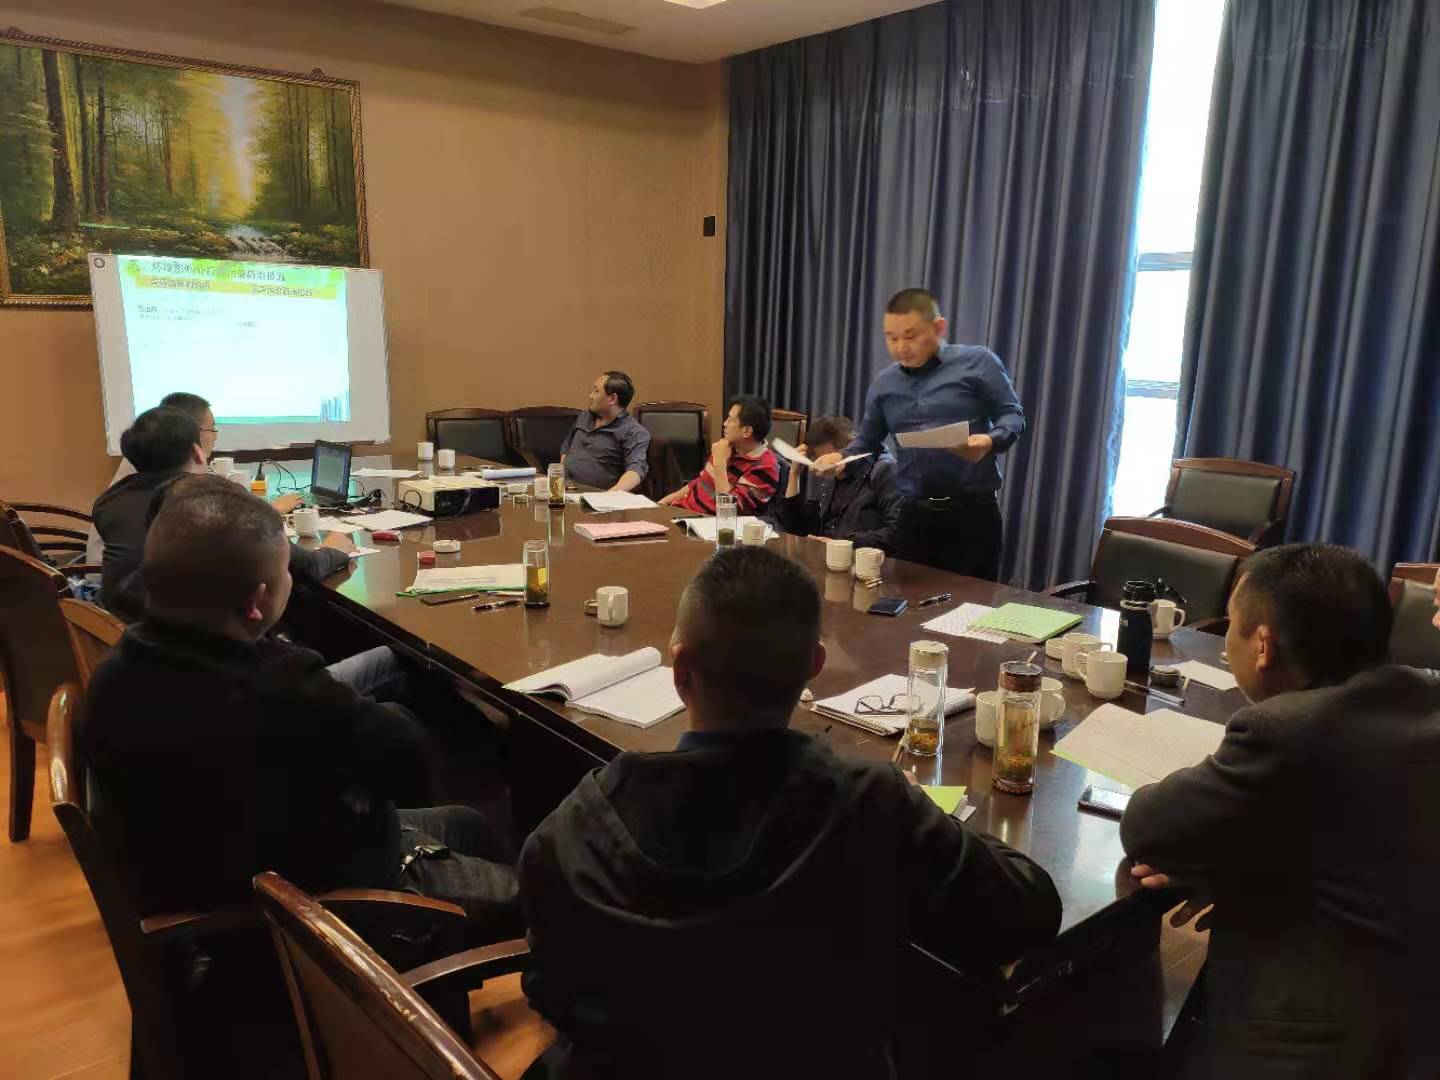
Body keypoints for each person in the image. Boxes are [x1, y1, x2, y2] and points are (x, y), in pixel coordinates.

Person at [518, 545, 1061, 1079]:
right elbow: (1029, 912)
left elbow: (548, 990)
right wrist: (934, 818)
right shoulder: (874, 803)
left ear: (681, 672)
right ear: (814, 666)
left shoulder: (572, 831)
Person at [81, 474, 519, 932]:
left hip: (220, 865)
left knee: (468, 823)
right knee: (543, 898)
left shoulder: (116, 671)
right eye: (286, 571)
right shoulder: (279, 686)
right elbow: (406, 761)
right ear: (257, 602)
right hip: (317, 907)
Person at [1120, 544, 1440, 1078]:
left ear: (1263, 646)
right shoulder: (1426, 696)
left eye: (1232, 627)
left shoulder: (1287, 731)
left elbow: (1147, 827)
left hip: (1321, 1047)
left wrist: (1226, 858)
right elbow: (1365, 838)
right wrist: (1247, 862)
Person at [814, 288, 1024, 580]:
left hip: (972, 516)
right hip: (913, 516)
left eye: (910, 336)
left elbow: (1012, 415)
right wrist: (841, 459)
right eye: (892, 338)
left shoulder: (978, 362)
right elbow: (867, 442)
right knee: (910, 602)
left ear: (938, 327)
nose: (901, 347)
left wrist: (989, 441)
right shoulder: (884, 384)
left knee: (973, 603)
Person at [94, 409, 353, 622]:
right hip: (196, 643)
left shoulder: (111, 501)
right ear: (197, 452)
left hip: (122, 630)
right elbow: (307, 566)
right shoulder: (211, 499)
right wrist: (334, 550)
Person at [84, 390, 300, 565]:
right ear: (191, 437)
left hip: (113, 593)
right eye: (212, 429)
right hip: (153, 596)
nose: (215, 436)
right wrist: (269, 511)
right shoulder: (193, 492)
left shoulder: (126, 482)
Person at [769, 414, 904, 552]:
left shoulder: (885, 469)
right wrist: (794, 474)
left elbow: (898, 532)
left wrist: (844, 544)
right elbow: (796, 529)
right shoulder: (830, 480)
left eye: (829, 460)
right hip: (825, 558)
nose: (826, 468)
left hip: (863, 560)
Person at [657, 395, 781, 516]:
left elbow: (728, 513)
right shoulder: (727, 447)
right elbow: (700, 482)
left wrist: (720, 464)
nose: (725, 424)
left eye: (730, 420)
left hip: (704, 523)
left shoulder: (766, 468)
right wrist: (664, 502)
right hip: (681, 512)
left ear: (747, 431)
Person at [559, 371, 651, 492]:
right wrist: (561, 478)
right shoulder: (584, 416)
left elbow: (636, 470)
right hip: (564, 490)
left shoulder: (634, 432)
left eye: (596, 391)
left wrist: (609, 496)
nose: (590, 396)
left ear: (612, 398)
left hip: (597, 496)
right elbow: (567, 446)